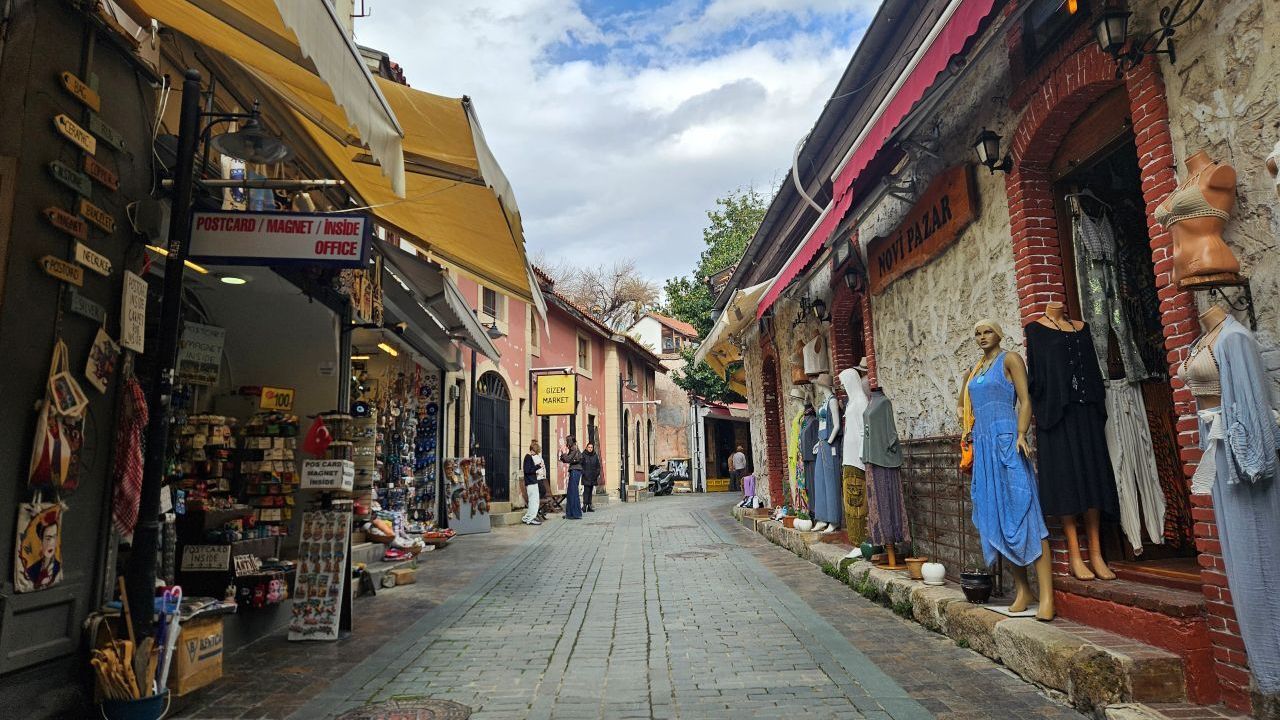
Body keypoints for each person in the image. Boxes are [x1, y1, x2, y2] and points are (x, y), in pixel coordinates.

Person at [560, 436, 584, 519]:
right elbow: (568, 459)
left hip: (575, 471)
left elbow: (568, 459)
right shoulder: (574, 448)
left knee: (573, 492)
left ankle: (575, 514)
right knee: (571, 492)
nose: (566, 443)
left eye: (567, 441)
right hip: (575, 471)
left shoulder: (574, 448)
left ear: (570, 441)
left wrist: (563, 452)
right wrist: (563, 456)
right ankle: (571, 514)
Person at [522, 440, 545, 526]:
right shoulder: (528, 457)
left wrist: (536, 468)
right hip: (531, 482)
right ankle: (531, 519)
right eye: (536, 451)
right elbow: (528, 470)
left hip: (531, 482)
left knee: (533, 501)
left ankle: (526, 518)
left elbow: (528, 470)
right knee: (534, 502)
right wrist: (538, 466)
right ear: (533, 450)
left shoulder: (528, 457)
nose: (536, 453)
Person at [581, 442, 602, 512]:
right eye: (589, 447)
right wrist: (584, 473)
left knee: (590, 491)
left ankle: (589, 505)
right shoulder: (583, 455)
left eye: (591, 447)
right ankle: (584, 505)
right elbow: (581, 465)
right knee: (586, 491)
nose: (590, 449)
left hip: (593, 477)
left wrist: (596, 474)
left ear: (593, 448)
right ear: (587, 448)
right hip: (586, 477)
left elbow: (598, 466)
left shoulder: (595, 455)